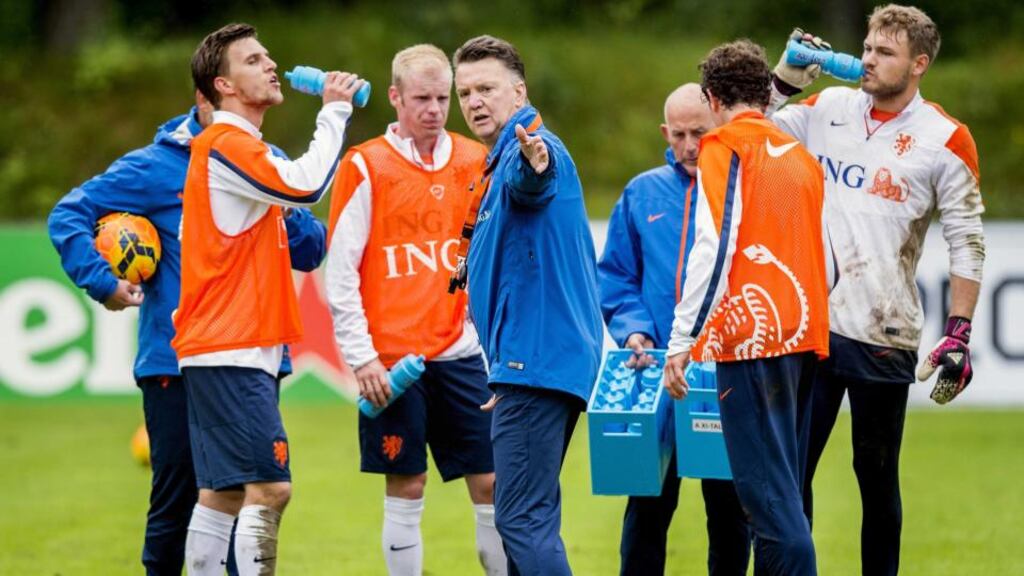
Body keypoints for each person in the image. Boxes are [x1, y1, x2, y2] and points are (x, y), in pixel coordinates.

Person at [47, 93, 326, 575]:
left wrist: (281, 208)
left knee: (248, 500)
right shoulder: (154, 167)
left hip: (250, 356)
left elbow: (311, 250)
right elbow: (69, 214)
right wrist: (102, 280)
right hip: (173, 360)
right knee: (178, 504)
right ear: (210, 96)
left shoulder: (266, 161)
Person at [768, 5, 984, 575]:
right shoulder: (827, 108)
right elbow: (749, 130)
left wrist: (958, 332)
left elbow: (968, 242)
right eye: (865, 47)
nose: (866, 59)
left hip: (884, 329)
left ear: (918, 63)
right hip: (809, 325)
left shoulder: (946, 138)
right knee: (791, 474)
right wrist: (785, 80)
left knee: (876, 476)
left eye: (883, 51)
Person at [172, 22, 363, 576]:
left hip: (225, 346)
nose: (271, 66)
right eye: (253, 60)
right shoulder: (225, 142)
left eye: (268, 56)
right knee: (271, 488)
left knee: (224, 494)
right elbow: (305, 185)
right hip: (230, 345)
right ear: (223, 85)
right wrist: (334, 111)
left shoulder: (239, 149)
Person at [324, 44, 506, 576]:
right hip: (391, 361)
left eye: (442, 97)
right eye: (421, 98)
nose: (433, 108)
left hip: (461, 352)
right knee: (407, 483)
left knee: (492, 481)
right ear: (395, 97)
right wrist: (361, 358)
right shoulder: (365, 164)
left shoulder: (478, 159)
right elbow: (341, 272)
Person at [663, 40, 830, 576]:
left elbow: (713, 248)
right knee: (783, 492)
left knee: (768, 504)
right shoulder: (799, 156)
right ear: (764, 92)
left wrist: (681, 342)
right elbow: (829, 259)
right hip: (804, 338)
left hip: (757, 344)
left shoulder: (726, 146)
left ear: (712, 99)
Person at [452, 35, 603, 576]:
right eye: (465, 91)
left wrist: (534, 161)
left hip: (535, 363)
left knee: (520, 519)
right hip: (531, 364)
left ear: (519, 91)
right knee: (528, 519)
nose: (474, 101)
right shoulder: (499, 161)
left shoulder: (531, 148)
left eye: (487, 88)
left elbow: (533, 180)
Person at [598, 83, 751, 576]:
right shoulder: (641, 192)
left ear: (721, 127)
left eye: (700, 133)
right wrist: (634, 330)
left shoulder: (743, 188)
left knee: (729, 512)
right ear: (665, 132)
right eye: (680, 134)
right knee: (646, 509)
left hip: (723, 375)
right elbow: (618, 275)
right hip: (659, 375)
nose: (689, 145)